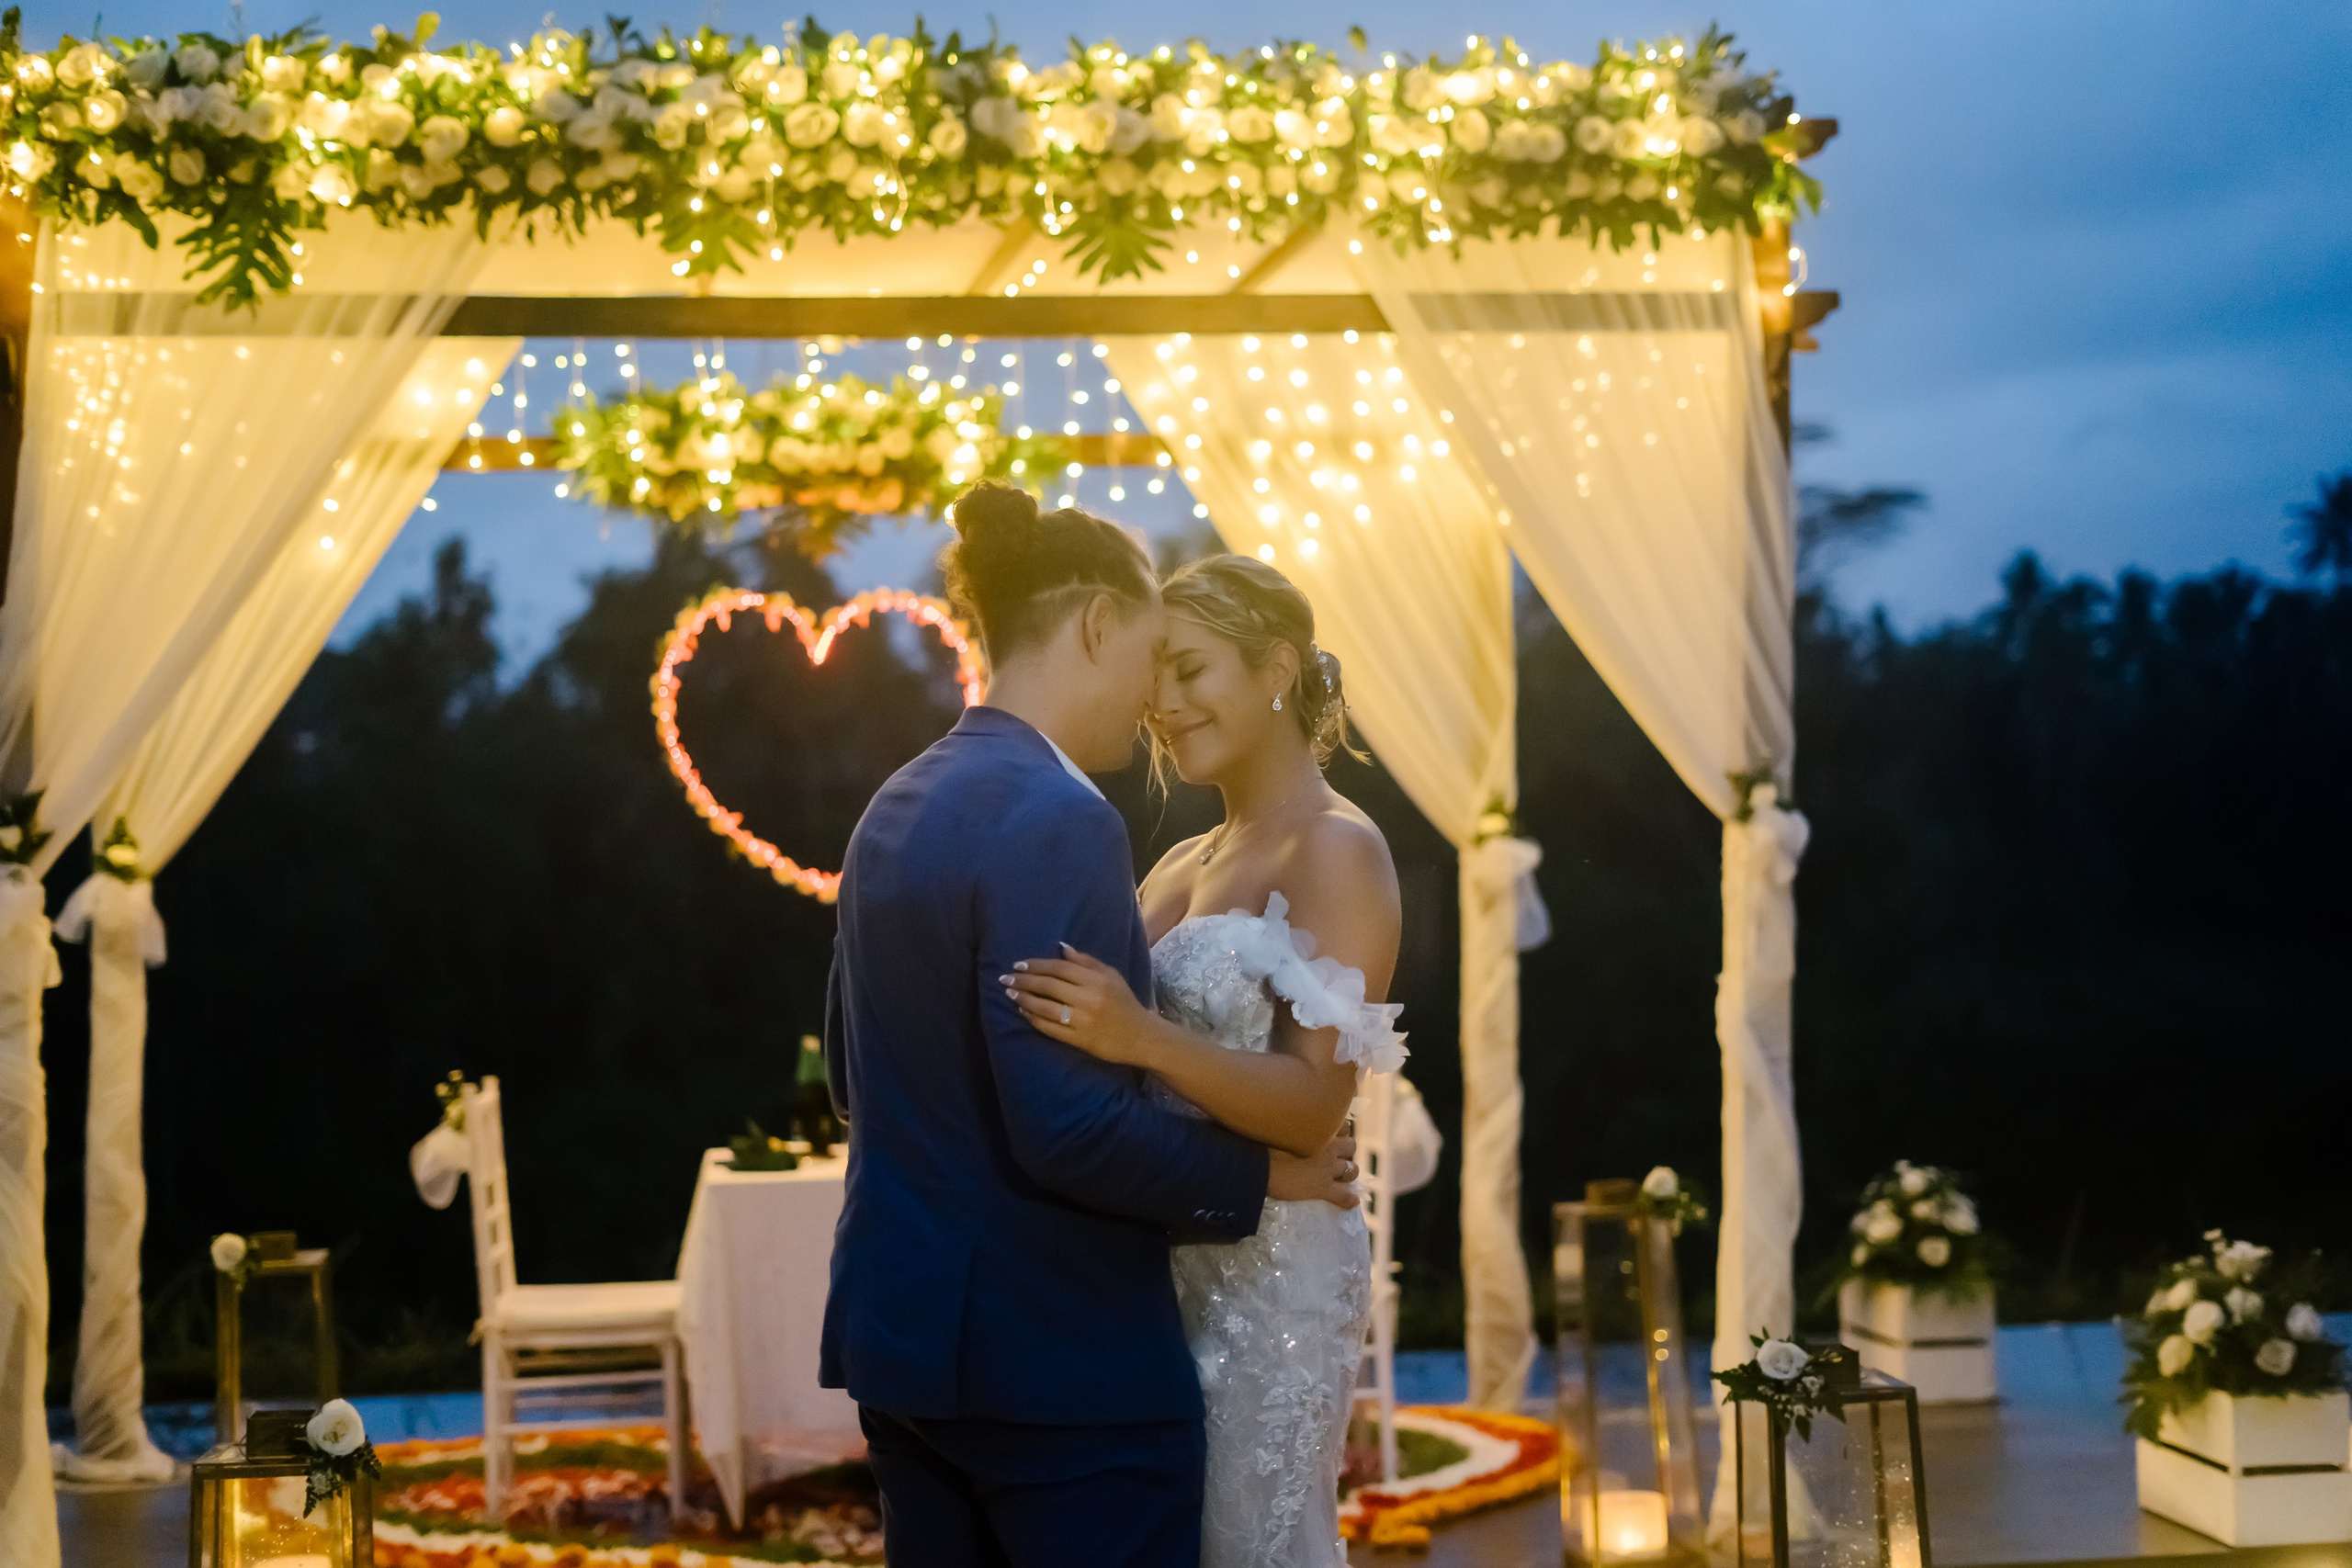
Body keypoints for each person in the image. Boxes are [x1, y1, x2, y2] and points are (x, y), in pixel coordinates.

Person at [820, 484, 1360, 1568]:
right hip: (1060, 1367)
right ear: (1099, 624)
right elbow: (1067, 1128)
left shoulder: (898, 798)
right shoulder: (1063, 817)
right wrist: (1264, 1181)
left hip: (907, 1349)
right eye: (1153, 652)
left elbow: (848, 1071)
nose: (1152, 699)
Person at [1006, 551, 1406, 1568]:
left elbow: (1315, 1109)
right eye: (1154, 682)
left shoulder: (1337, 850)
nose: (1162, 707)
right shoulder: (1180, 859)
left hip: (1273, 1274)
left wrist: (1139, 1035)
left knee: (1248, 1546)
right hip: (1158, 1261)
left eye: (1191, 672)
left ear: (1274, 666)